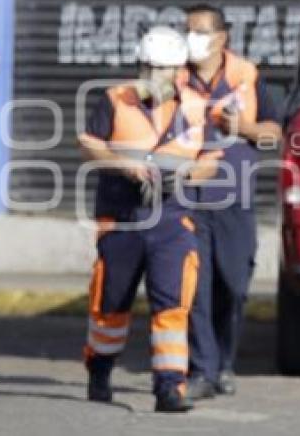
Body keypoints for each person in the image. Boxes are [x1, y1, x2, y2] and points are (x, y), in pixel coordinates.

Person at [78, 25, 220, 413]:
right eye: (148, 66)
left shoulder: (196, 107)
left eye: (161, 68)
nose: (152, 74)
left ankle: (169, 387)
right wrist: (122, 165)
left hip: (172, 221)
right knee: (110, 303)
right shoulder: (114, 99)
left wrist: (187, 175)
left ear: (177, 71)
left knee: (172, 303)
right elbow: (89, 144)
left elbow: (210, 161)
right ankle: (100, 368)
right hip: (121, 218)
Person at [183, 4, 283, 399]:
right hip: (186, 199)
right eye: (188, 30)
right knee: (195, 288)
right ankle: (203, 369)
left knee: (235, 285)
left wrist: (244, 128)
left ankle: (223, 361)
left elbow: (274, 134)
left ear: (221, 37)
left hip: (233, 199)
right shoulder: (173, 76)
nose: (193, 38)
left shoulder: (247, 77)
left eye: (201, 31)